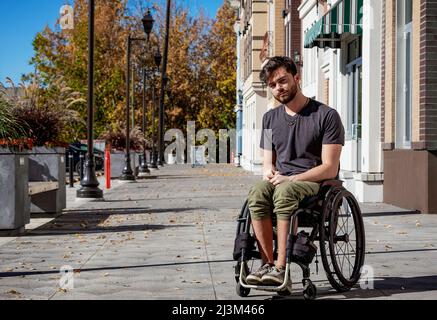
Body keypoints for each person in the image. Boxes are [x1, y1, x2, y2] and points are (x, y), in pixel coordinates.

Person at [246, 56, 345, 286]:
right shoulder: (269, 118)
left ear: (296, 78)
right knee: (257, 192)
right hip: (282, 180)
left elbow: (330, 167)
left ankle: (282, 268)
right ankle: (267, 264)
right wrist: (270, 173)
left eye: (282, 81)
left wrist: (291, 178)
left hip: (314, 182)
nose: (278, 88)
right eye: (272, 85)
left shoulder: (326, 116)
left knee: (284, 192)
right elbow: (268, 163)